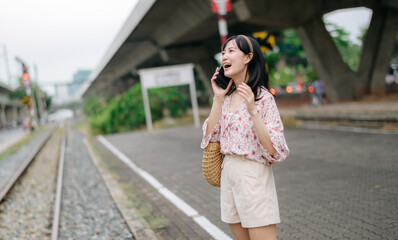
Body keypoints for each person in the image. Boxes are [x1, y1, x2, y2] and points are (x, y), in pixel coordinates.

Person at [200, 35, 290, 240]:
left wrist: (253, 110)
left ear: (248, 57)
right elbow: (209, 136)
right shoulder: (226, 97)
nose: (225, 56)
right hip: (229, 174)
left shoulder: (262, 97)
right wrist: (217, 98)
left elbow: (275, 149)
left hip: (252, 175)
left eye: (231, 51)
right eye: (223, 52)